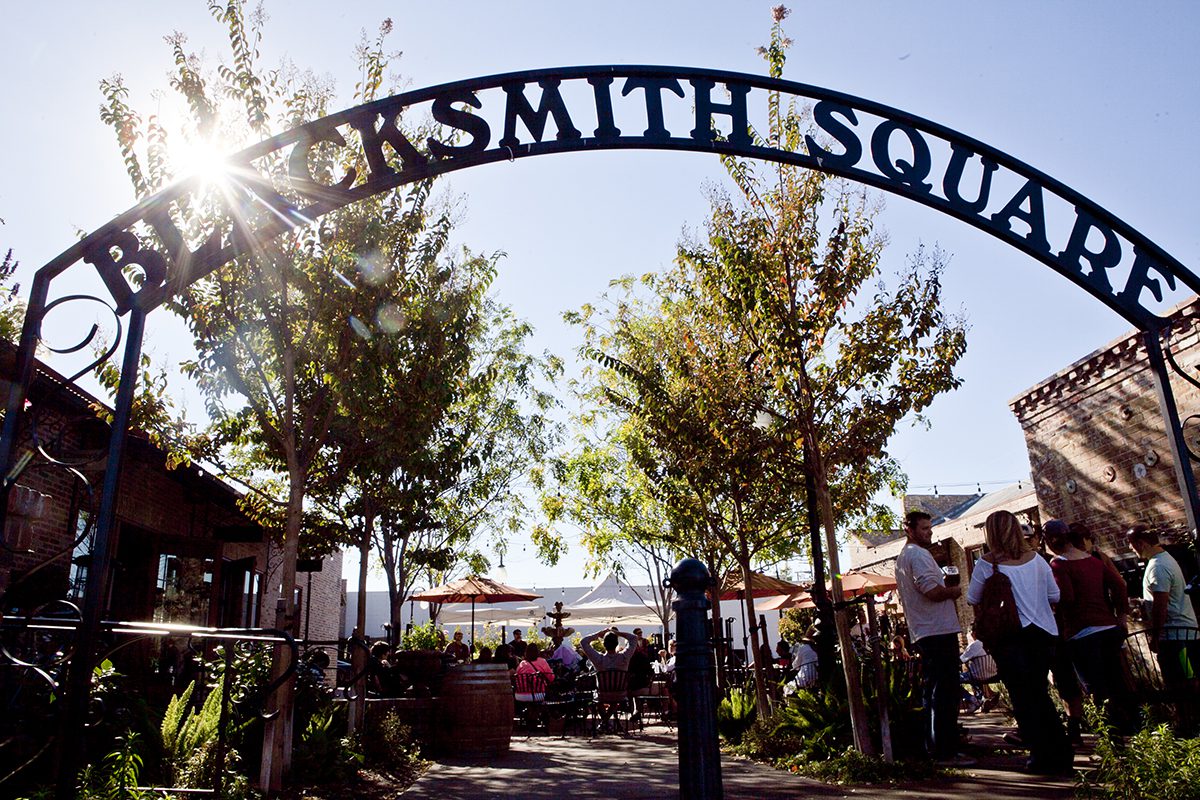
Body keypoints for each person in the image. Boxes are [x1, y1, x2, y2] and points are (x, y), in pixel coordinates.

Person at [967, 510, 1072, 774]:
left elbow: (972, 598)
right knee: (1039, 692)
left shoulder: (986, 564)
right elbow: (1055, 595)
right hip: (1044, 633)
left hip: (1011, 637)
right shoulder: (1037, 560)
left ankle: (1043, 754)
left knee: (1024, 697)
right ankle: (1059, 752)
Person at [895, 510, 975, 767]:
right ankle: (945, 749)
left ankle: (937, 745)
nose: (930, 532)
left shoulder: (905, 557)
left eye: (930, 528)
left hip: (927, 629)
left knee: (935, 689)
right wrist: (955, 590)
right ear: (909, 529)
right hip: (936, 629)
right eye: (925, 528)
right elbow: (931, 590)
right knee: (945, 689)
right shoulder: (917, 554)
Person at [1045, 520, 1135, 732]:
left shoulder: (1058, 564)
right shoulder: (1093, 561)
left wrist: (1050, 604)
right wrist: (1121, 615)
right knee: (1118, 683)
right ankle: (1134, 732)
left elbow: (1066, 597)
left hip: (1082, 633)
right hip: (1108, 628)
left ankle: (1113, 741)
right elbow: (1120, 585)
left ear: (1052, 540)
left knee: (1097, 689)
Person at [1128, 526, 1199, 694]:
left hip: (1176, 639)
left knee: (1185, 684)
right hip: (1182, 635)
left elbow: (1161, 604)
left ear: (1141, 543)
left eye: (1131, 544)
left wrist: (1156, 636)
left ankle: (1191, 719)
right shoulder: (1165, 559)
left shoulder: (1157, 566)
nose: (1130, 548)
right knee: (1188, 681)